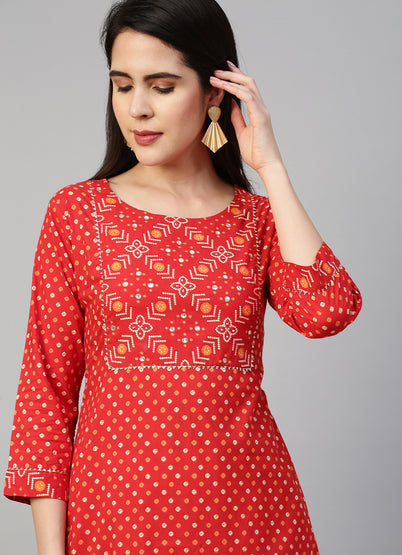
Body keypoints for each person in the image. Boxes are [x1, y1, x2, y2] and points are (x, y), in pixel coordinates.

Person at [3, 0, 362, 553]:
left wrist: (271, 168)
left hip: (252, 518)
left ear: (215, 92)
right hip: (116, 520)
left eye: (163, 87)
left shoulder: (256, 220)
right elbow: (45, 397)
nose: (138, 109)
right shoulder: (76, 213)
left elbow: (327, 312)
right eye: (122, 86)